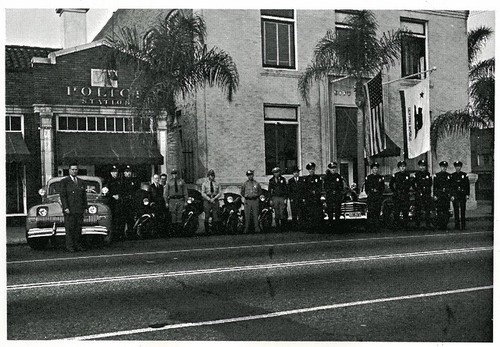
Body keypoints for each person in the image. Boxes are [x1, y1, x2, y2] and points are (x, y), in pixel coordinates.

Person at [60, 163, 87, 252]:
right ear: (69, 170)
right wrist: (65, 207)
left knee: (78, 229)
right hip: (69, 209)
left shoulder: (81, 181)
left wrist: (85, 207)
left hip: (79, 209)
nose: (74, 171)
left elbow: (84, 196)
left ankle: (77, 245)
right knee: (70, 228)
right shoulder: (64, 181)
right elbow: (63, 196)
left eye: (76, 169)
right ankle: (70, 246)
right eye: (72, 169)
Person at [104, 165, 125, 241]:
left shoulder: (120, 181)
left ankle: (119, 235)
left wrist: (119, 196)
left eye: (116, 172)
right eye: (114, 172)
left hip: (119, 203)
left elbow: (123, 190)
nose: (115, 173)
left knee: (119, 219)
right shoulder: (108, 181)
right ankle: (113, 236)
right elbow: (105, 192)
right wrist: (112, 196)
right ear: (111, 173)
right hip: (112, 203)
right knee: (113, 219)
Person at [389, 160, 412, 228]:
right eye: (401, 167)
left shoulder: (408, 175)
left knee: (405, 211)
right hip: (398, 195)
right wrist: (395, 191)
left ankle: (405, 225)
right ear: (399, 168)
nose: (402, 168)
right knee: (397, 211)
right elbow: (391, 184)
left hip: (405, 195)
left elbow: (410, 184)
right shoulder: (396, 175)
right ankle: (397, 225)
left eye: (403, 166)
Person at [165, 169, 188, 233]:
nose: (174, 175)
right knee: (173, 215)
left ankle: (179, 230)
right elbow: (166, 193)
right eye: (173, 174)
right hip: (172, 200)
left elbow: (185, 192)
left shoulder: (181, 181)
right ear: (171, 175)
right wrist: (166, 202)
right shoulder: (169, 182)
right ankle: (173, 230)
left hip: (180, 199)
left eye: (175, 173)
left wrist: (186, 201)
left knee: (180, 215)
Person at [323, 162, 344, 229]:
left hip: (337, 196)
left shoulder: (338, 176)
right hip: (330, 196)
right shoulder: (327, 177)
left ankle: (337, 225)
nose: (333, 169)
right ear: (329, 169)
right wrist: (331, 191)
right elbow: (325, 187)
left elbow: (341, 186)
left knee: (338, 210)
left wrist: (339, 193)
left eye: (334, 168)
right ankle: (330, 224)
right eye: (332, 168)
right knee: (330, 211)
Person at [201, 169, 222, 234]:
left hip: (215, 200)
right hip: (207, 200)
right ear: (208, 176)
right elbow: (203, 193)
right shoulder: (205, 184)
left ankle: (215, 229)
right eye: (210, 175)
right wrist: (209, 199)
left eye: (213, 175)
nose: (212, 177)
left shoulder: (217, 183)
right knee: (207, 215)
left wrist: (215, 198)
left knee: (215, 214)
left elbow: (220, 192)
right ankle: (207, 230)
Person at [303, 162, 323, 231]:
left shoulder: (318, 178)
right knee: (310, 213)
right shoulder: (306, 179)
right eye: (310, 170)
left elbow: (320, 187)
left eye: (312, 169)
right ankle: (311, 228)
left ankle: (318, 228)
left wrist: (316, 192)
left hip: (316, 198)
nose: (311, 171)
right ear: (308, 171)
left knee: (317, 214)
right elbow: (305, 189)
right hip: (309, 199)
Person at [365, 162, 385, 230]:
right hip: (371, 197)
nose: (375, 170)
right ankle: (370, 227)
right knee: (371, 212)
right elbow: (366, 188)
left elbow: (382, 188)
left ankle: (377, 226)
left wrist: (379, 194)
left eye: (376, 168)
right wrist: (370, 193)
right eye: (374, 168)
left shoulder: (380, 178)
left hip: (378, 197)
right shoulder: (368, 177)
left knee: (377, 211)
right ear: (371, 169)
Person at [450, 161, 470, 230]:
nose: (457, 168)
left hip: (462, 195)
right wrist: (452, 195)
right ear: (455, 167)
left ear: (461, 167)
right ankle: (457, 225)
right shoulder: (452, 176)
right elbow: (451, 187)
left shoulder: (464, 175)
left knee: (463, 210)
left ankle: (463, 225)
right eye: (456, 166)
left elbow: (467, 185)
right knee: (456, 211)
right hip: (455, 195)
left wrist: (467, 194)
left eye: (459, 166)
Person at [122, 165, 140, 238]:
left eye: (129, 172)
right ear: (124, 173)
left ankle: (132, 232)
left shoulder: (134, 181)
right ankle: (124, 233)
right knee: (124, 218)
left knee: (132, 218)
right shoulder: (122, 181)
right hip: (125, 202)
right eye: (127, 172)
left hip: (132, 202)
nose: (128, 173)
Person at [268, 167, 288, 231]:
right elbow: (269, 190)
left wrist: (285, 198)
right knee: (276, 212)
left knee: (282, 211)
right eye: (275, 173)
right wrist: (270, 199)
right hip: (275, 197)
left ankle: (283, 226)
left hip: (282, 197)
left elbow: (285, 189)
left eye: (277, 172)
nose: (276, 174)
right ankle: (277, 226)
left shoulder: (283, 179)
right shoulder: (271, 180)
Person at [433, 161, 452, 230]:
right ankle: (440, 224)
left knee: (446, 211)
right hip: (439, 195)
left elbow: (451, 187)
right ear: (440, 167)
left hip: (446, 195)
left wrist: (450, 195)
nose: (444, 168)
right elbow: (435, 187)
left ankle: (445, 224)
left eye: (445, 167)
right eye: (442, 167)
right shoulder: (437, 175)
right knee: (439, 210)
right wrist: (435, 195)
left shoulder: (449, 176)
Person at [287, 166, 304, 231]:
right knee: (294, 212)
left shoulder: (302, 180)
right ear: (293, 173)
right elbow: (289, 190)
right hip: (294, 199)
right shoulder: (290, 181)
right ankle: (294, 226)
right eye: (295, 172)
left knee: (300, 213)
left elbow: (303, 189)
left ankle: (301, 226)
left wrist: (303, 198)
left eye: (297, 172)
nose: (296, 173)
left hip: (300, 198)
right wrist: (290, 198)